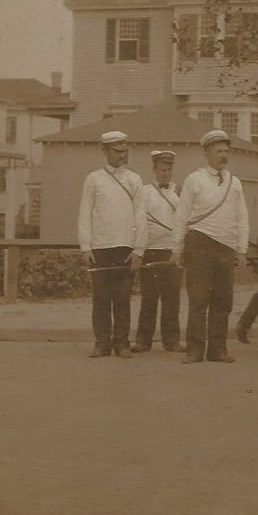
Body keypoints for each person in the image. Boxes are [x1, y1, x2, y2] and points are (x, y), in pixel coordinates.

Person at [171, 129, 249, 364]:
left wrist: (242, 249)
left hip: (225, 247)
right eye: (218, 151)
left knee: (223, 301)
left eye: (226, 151)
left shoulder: (234, 183)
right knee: (198, 299)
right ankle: (195, 350)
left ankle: (218, 350)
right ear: (207, 153)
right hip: (199, 244)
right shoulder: (195, 180)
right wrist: (176, 248)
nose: (223, 156)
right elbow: (182, 215)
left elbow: (242, 217)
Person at [77, 131, 146, 358]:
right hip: (100, 248)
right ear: (104, 150)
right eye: (117, 152)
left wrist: (138, 250)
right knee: (101, 299)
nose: (122, 156)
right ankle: (102, 343)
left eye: (124, 151)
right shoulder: (93, 179)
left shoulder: (134, 180)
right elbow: (85, 214)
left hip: (125, 248)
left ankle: (122, 343)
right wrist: (85, 246)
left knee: (123, 299)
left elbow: (140, 216)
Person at [132, 150, 185, 353]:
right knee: (149, 298)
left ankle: (171, 341)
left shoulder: (179, 192)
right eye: (162, 169)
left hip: (171, 251)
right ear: (154, 170)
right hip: (150, 251)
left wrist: (178, 249)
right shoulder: (145, 192)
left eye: (169, 169)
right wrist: (139, 249)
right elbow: (139, 221)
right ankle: (143, 341)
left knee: (171, 299)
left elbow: (183, 221)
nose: (165, 173)